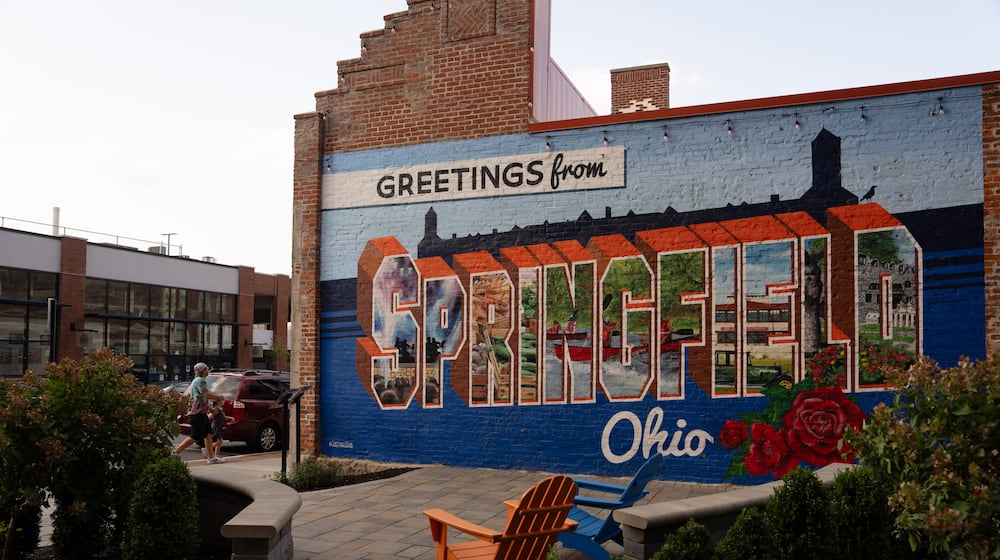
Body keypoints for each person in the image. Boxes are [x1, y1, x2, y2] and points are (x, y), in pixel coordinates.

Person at [171, 362, 223, 463]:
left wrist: (209, 408)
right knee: (195, 437)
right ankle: (175, 452)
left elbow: (201, 398)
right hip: (197, 414)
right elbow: (206, 394)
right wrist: (217, 397)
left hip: (201, 413)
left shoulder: (198, 380)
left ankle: (211, 457)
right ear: (203, 371)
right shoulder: (200, 381)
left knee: (208, 434)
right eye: (206, 369)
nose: (208, 370)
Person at [207, 398, 233, 462]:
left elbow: (224, 417)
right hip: (216, 426)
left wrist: (230, 418)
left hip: (220, 426)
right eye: (222, 400)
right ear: (218, 401)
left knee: (219, 441)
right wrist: (210, 416)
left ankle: (216, 455)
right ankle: (208, 449)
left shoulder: (221, 409)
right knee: (220, 441)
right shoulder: (216, 409)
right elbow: (210, 416)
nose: (224, 401)